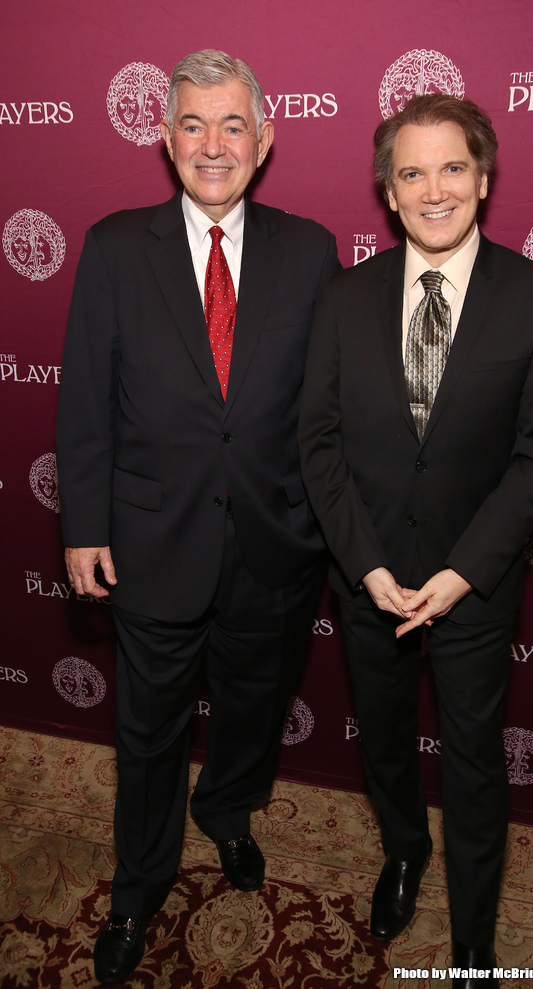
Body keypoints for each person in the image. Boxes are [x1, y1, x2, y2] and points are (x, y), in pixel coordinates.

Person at [55, 49, 339, 985]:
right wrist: (83, 525)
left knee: (253, 711)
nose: (212, 145)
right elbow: (85, 398)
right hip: (150, 542)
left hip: (274, 544)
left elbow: (328, 405)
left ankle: (228, 813)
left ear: (264, 141)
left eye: (231, 126)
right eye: (192, 124)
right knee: (145, 730)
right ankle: (139, 882)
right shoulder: (110, 244)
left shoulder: (310, 248)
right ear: (164, 136)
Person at [298, 94, 533, 987]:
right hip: (368, 579)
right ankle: (405, 853)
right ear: (388, 189)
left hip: (475, 587)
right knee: (383, 742)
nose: (432, 189)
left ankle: (473, 940)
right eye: (410, 172)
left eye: (451, 167)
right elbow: (319, 442)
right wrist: (367, 565)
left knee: (474, 759)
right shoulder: (341, 297)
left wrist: (461, 573)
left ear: (483, 179)